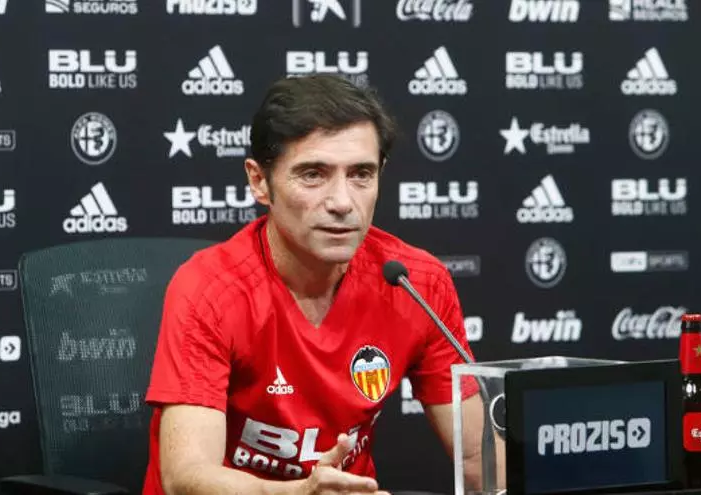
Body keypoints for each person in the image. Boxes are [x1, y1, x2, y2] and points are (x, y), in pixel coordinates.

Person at [142, 74, 487, 495]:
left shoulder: (417, 284)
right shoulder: (209, 289)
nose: (342, 202)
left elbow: (479, 459)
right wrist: (299, 493)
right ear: (259, 181)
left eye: (360, 174)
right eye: (313, 174)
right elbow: (186, 476)